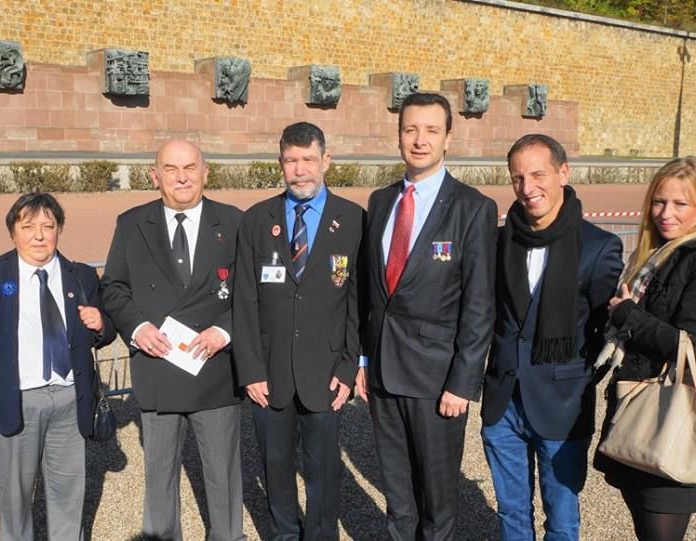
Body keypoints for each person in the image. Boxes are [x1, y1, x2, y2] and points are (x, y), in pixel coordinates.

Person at [356, 92, 497, 540]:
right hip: (383, 375)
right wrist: (362, 359)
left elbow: (479, 305)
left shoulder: (473, 208)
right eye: (410, 130)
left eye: (431, 131)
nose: (420, 140)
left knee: (437, 504)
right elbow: (369, 293)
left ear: (448, 138)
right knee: (398, 500)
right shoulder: (380, 203)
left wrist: (462, 382)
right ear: (399, 136)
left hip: (437, 382)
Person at [479, 134, 623, 540]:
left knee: (561, 520)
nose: (527, 188)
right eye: (517, 178)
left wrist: (576, 376)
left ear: (563, 172)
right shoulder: (498, 241)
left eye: (538, 174)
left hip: (562, 404)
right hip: (504, 402)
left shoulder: (598, 247)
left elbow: (605, 327)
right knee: (511, 515)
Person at [101, 140, 246, 541]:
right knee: (160, 479)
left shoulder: (234, 222)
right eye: (170, 168)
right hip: (158, 367)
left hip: (215, 370)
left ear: (205, 172)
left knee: (223, 479)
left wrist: (224, 330)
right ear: (155, 176)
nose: (181, 177)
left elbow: (251, 294)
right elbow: (113, 288)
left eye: (189, 167)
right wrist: (137, 328)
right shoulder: (131, 224)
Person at [594, 156, 696, 541]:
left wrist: (627, 314)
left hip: (671, 418)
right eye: (659, 202)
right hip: (637, 412)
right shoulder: (657, 256)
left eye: (680, 204)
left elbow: (695, 348)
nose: (665, 213)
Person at [233, 122, 363, 540]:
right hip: (269, 374)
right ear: (280, 163)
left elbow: (360, 305)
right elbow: (244, 303)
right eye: (291, 160)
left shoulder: (355, 220)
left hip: (325, 371)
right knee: (275, 466)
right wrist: (250, 369)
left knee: (324, 471)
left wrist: (348, 367)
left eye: (308, 159)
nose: (300, 170)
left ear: (326, 160)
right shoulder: (256, 220)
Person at [0, 192, 115, 540]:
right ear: (13, 232)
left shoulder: (81, 276)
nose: (39, 235)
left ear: (59, 230)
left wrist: (101, 324)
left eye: (48, 226)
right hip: (15, 400)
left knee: (68, 495)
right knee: (15, 501)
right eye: (28, 226)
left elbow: (100, 335)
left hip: (68, 400)